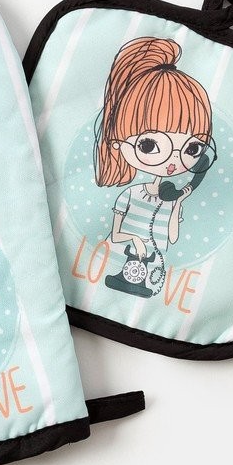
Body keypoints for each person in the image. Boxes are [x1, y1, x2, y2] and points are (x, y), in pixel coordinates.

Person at [93, 37, 215, 297]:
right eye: (148, 145)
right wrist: (135, 239)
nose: (173, 162)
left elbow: (172, 238)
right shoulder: (130, 194)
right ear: (117, 142)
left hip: (153, 268)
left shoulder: (170, 198)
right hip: (121, 256)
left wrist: (179, 201)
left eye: (192, 149)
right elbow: (115, 234)